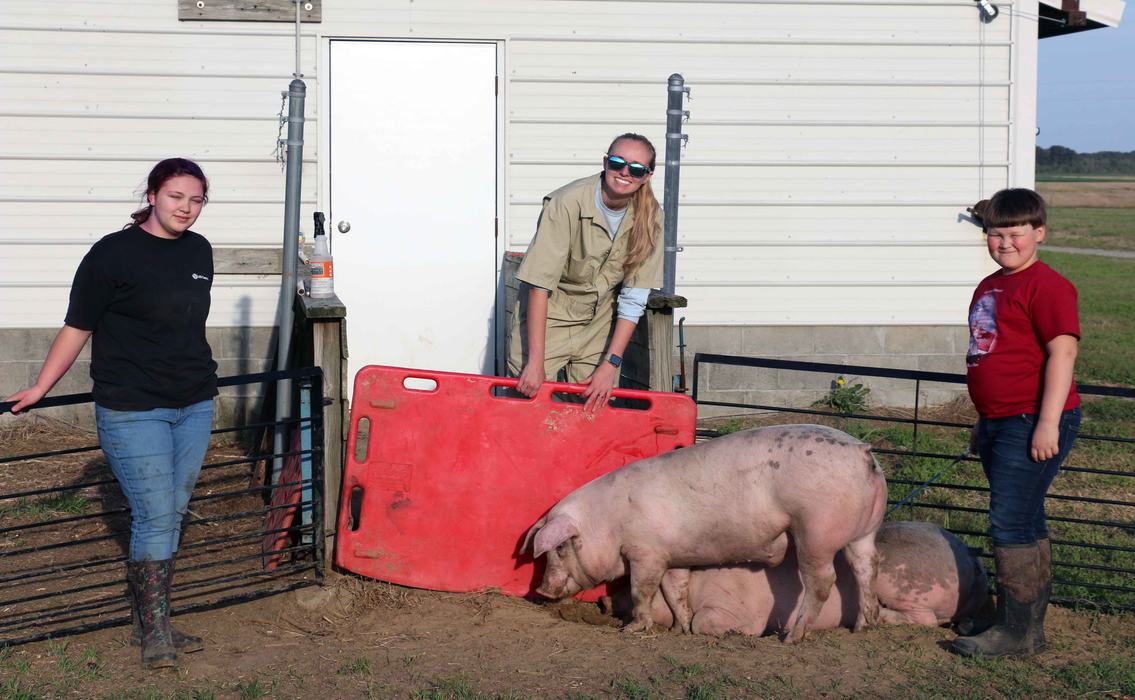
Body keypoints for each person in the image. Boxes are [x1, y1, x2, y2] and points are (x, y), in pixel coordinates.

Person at [5, 158, 216, 669]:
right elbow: (78, 326)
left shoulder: (199, 250)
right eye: (175, 197)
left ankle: (157, 614)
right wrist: (41, 385)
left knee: (174, 506)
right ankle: (155, 633)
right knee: (156, 513)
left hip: (194, 402)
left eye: (195, 199)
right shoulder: (112, 255)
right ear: (151, 196)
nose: (185, 208)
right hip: (133, 406)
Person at [949, 188, 1082, 658]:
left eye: (1016, 233)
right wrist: (983, 421)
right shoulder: (990, 286)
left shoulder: (1048, 286)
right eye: (995, 234)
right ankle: (1021, 621)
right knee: (1026, 517)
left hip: (1032, 418)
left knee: (1009, 522)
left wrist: (1047, 423)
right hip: (999, 421)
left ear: (1039, 233)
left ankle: (1016, 632)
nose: (1005, 243)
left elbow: (1062, 353)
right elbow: (990, 350)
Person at [507, 133, 663, 413]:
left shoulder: (651, 219)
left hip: (599, 321)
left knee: (593, 410)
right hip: (550, 315)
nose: (625, 173)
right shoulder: (566, 203)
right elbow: (539, 286)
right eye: (617, 163)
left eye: (636, 169)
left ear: (647, 176)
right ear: (605, 162)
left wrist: (610, 364)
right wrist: (535, 361)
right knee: (528, 405)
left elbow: (634, 297)